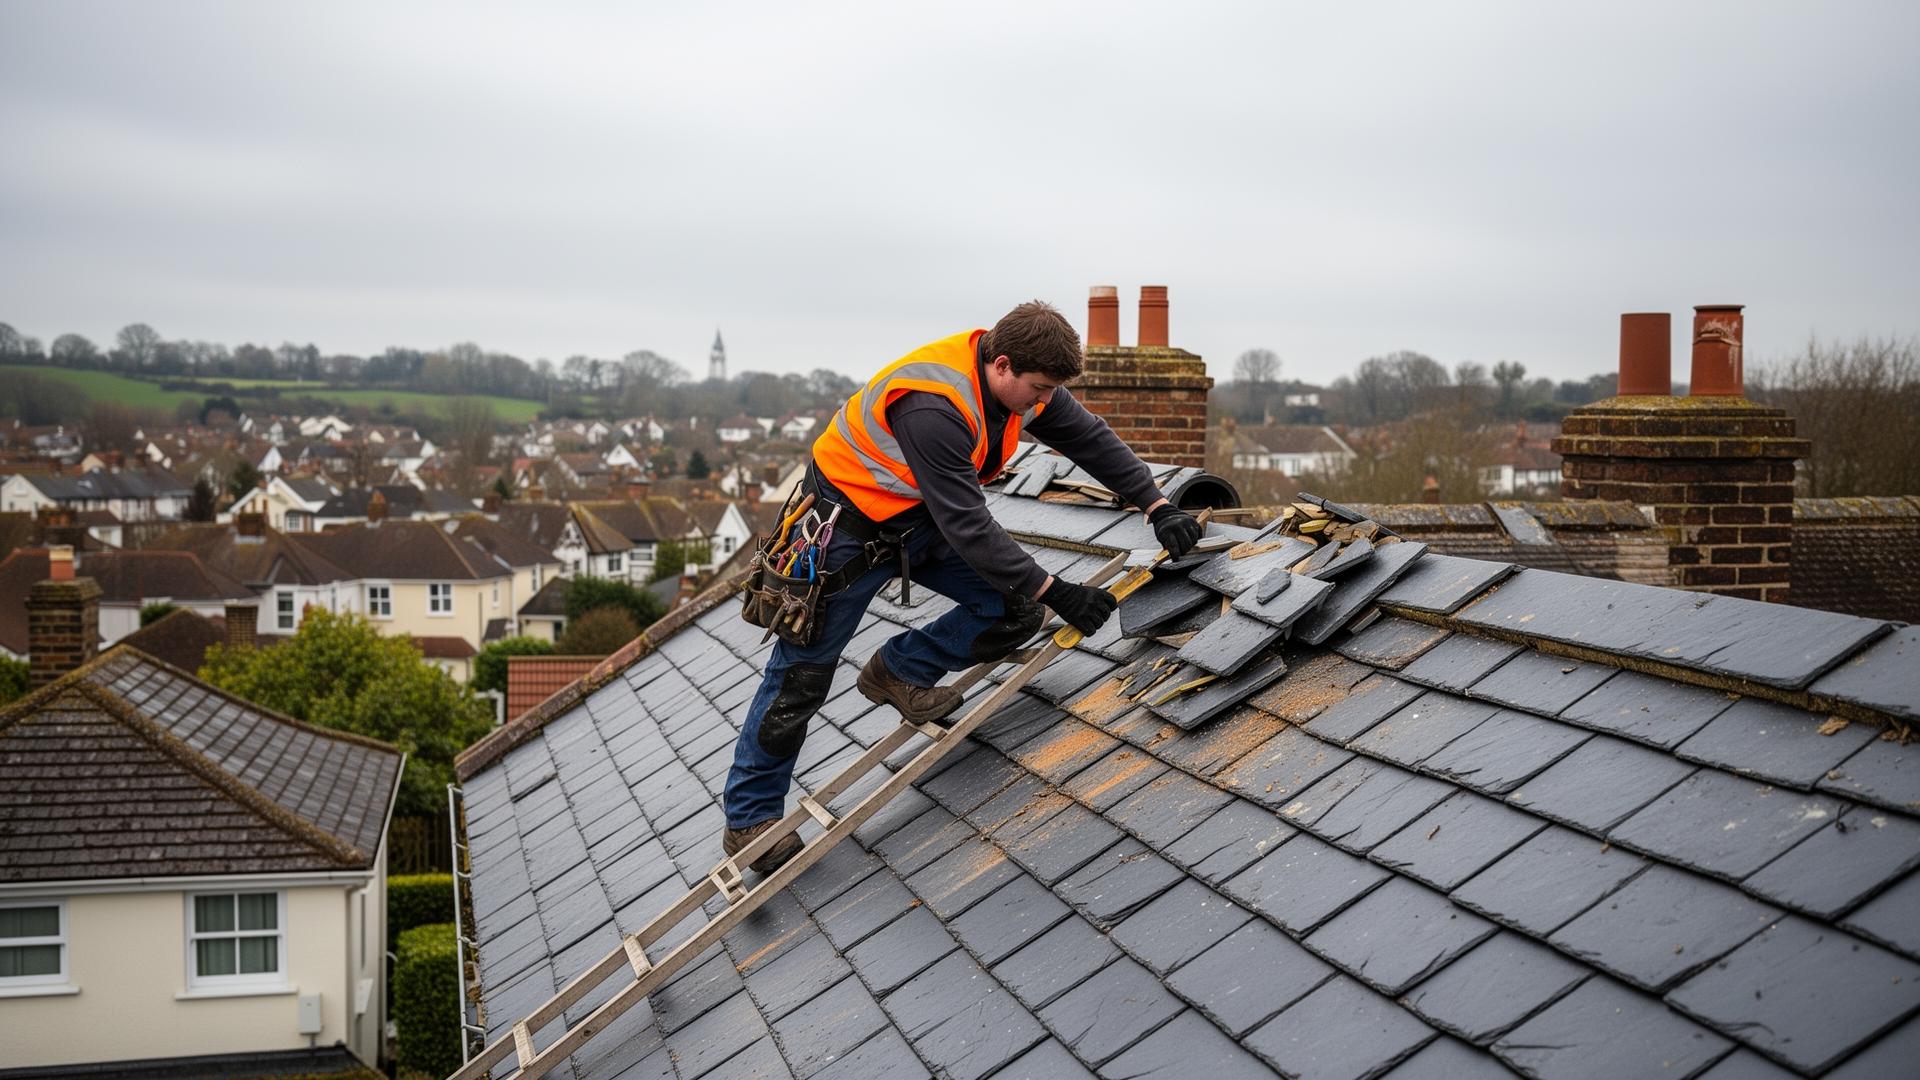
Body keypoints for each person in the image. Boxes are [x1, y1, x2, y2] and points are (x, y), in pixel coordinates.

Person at [721, 300, 1203, 872]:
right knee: (801, 675)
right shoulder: (935, 407)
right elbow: (970, 527)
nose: (1044, 402)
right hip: (846, 535)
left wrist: (1156, 503)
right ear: (1002, 365)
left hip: (917, 523)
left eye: (1051, 391)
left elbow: (1089, 439)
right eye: (1039, 390)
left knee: (1013, 610)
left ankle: (900, 671)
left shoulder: (1022, 380)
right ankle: (750, 820)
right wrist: (1060, 591)